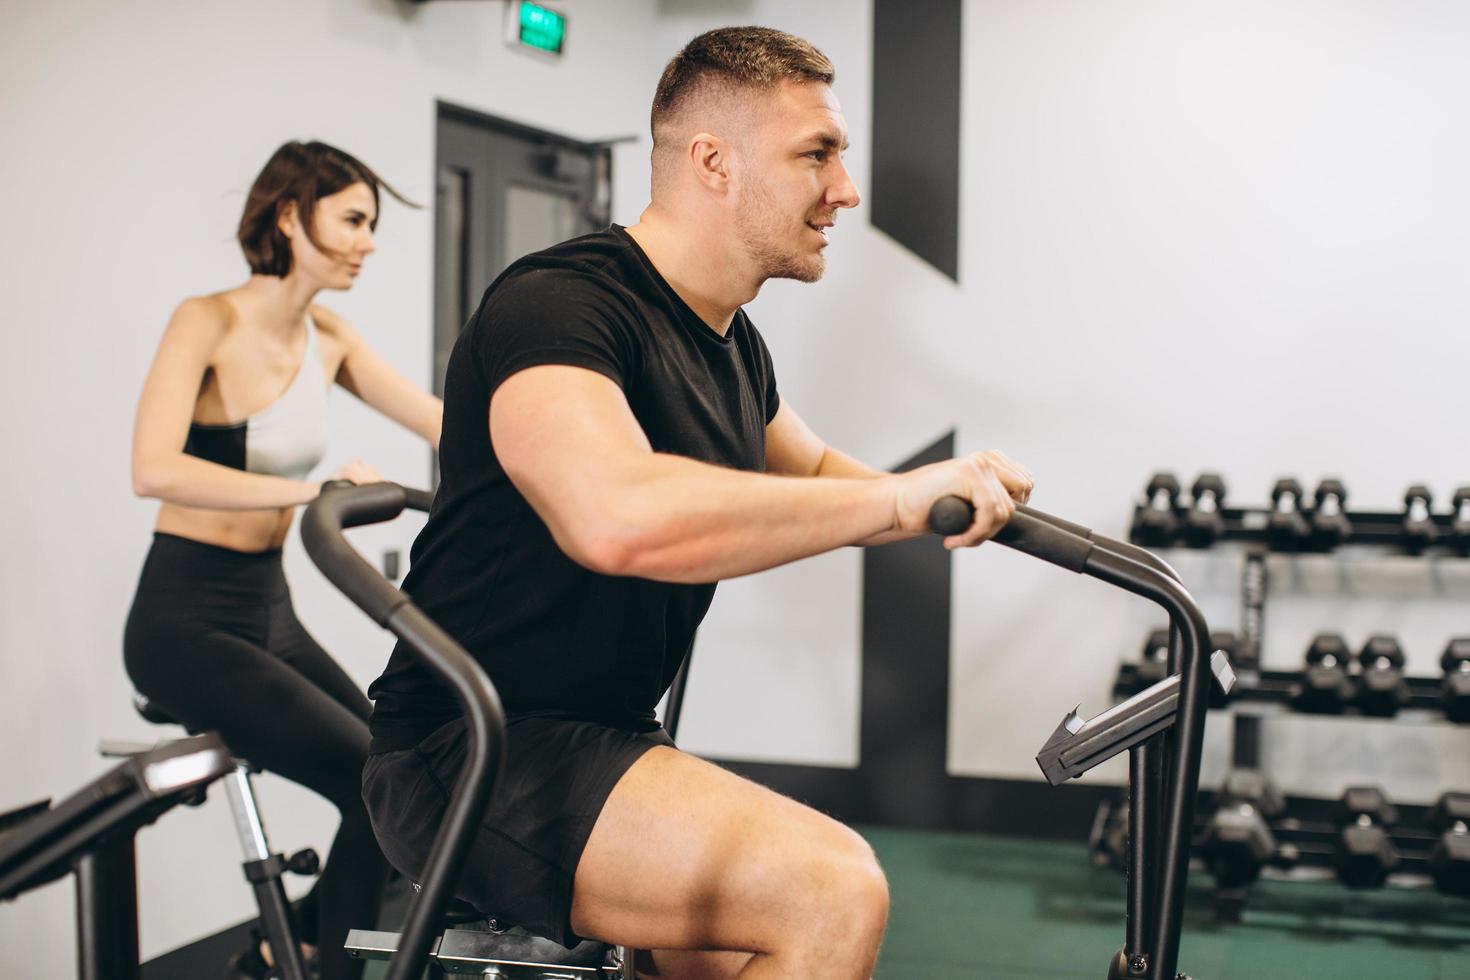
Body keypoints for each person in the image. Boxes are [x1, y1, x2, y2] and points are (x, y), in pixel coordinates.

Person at [362, 27, 1032, 980]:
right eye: (817, 154)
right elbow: (615, 516)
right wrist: (900, 506)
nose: (845, 189)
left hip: (603, 738)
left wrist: (963, 498)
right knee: (832, 890)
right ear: (713, 162)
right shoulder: (559, 306)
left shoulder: (732, 341)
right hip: (471, 753)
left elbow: (816, 472)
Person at [124, 140, 442, 980]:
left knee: (395, 778)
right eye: (353, 220)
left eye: (372, 224)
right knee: (365, 789)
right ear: (290, 218)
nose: (369, 242)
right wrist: (313, 493)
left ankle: (291, 940)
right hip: (184, 619)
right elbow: (152, 467)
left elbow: (442, 421)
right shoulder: (209, 320)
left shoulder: (329, 335)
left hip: (270, 609)